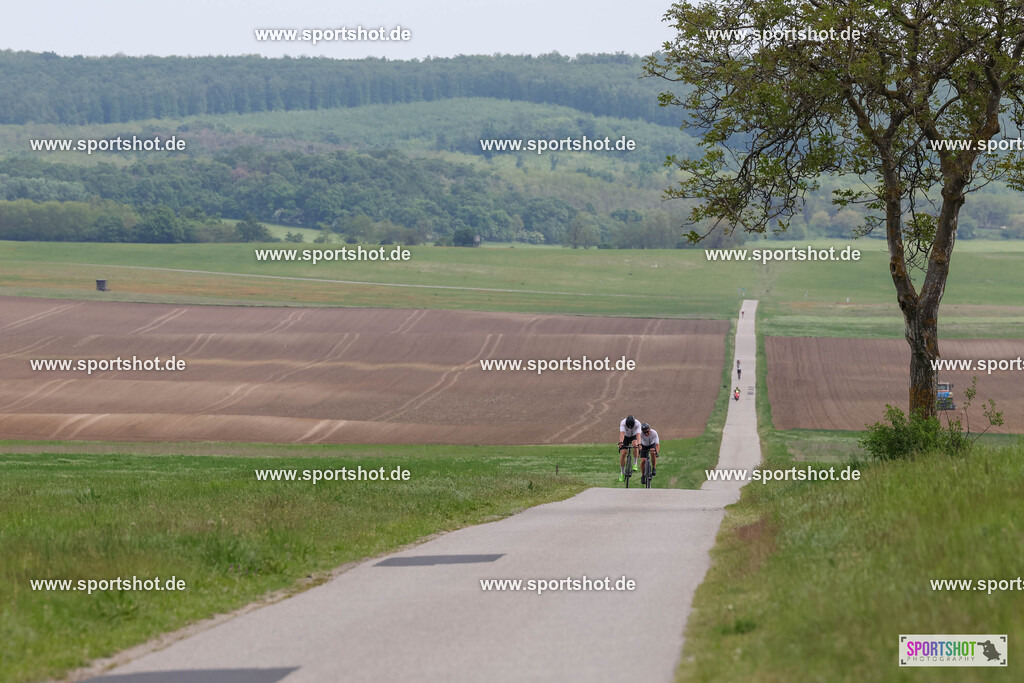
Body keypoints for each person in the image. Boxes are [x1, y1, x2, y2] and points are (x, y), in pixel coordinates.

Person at [618, 415, 641, 482]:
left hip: (634, 436)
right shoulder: (623, 422)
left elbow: (638, 435)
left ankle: (635, 463)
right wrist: (621, 442)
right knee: (623, 453)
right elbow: (622, 433)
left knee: (635, 445)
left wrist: (639, 444)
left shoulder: (637, 423)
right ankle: (622, 473)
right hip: (625, 437)